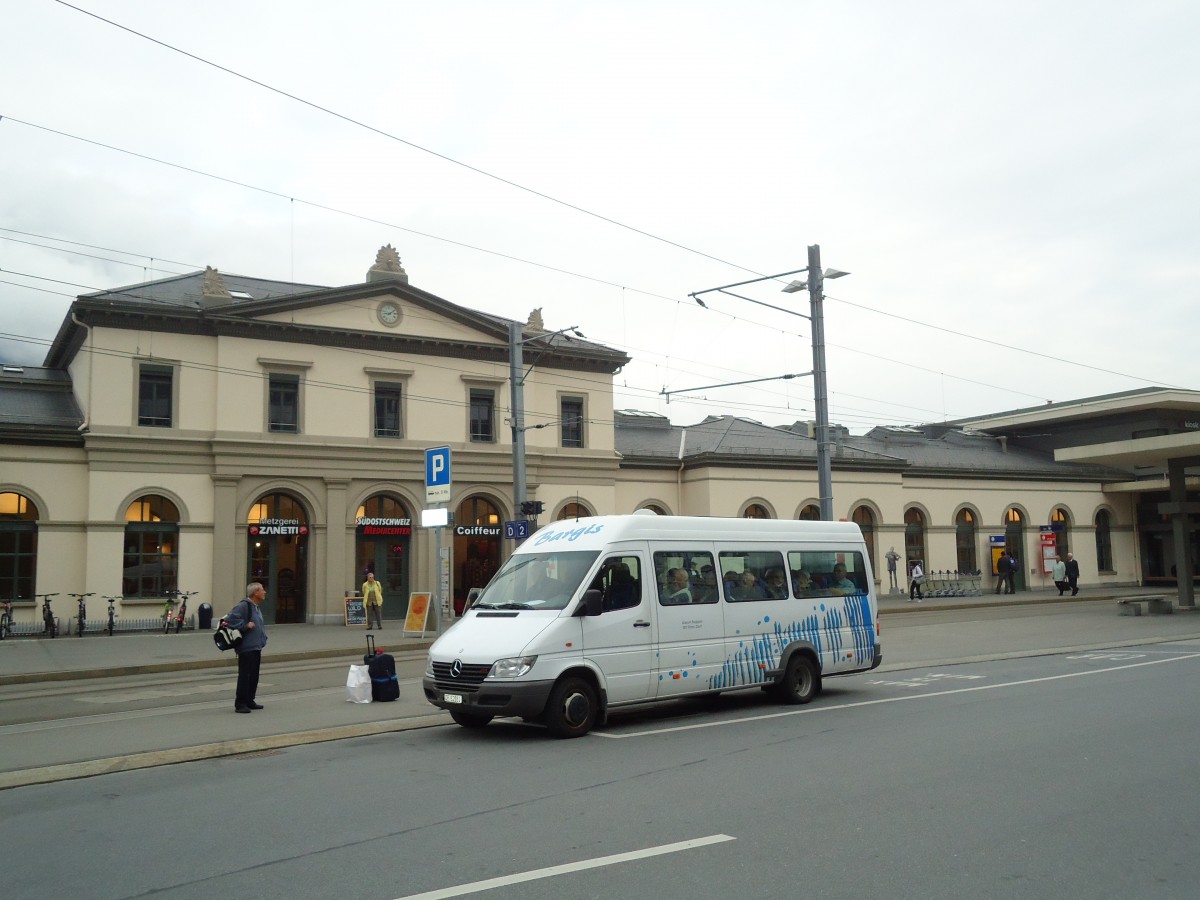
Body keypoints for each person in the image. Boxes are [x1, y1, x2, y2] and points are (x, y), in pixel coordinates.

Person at [225, 582, 267, 714]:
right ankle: (240, 703)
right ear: (255, 593)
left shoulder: (255, 606)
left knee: (254, 675)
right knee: (245, 675)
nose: (265, 592)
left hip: (256, 646)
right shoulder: (244, 605)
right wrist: (245, 626)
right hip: (246, 647)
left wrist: (263, 638)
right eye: (262, 590)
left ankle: (250, 700)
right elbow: (230, 620)